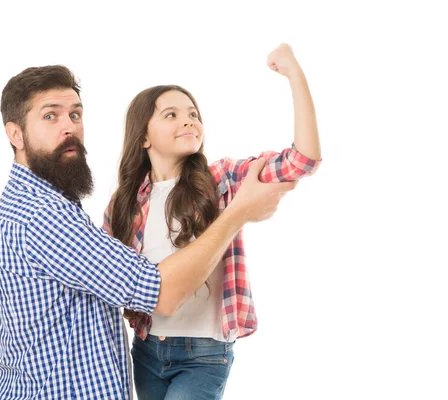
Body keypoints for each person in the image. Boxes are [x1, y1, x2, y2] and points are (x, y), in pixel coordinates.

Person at [0, 64, 296, 400]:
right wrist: (238, 213)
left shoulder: (31, 205)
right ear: (15, 134)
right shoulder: (44, 216)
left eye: (75, 114)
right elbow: (160, 294)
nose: (69, 127)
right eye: (51, 116)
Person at [102, 43, 322, 400]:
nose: (189, 119)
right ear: (143, 136)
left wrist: (294, 73)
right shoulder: (124, 203)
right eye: (171, 114)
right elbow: (108, 279)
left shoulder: (221, 179)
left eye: (192, 113)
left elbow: (303, 160)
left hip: (204, 355)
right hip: (145, 350)